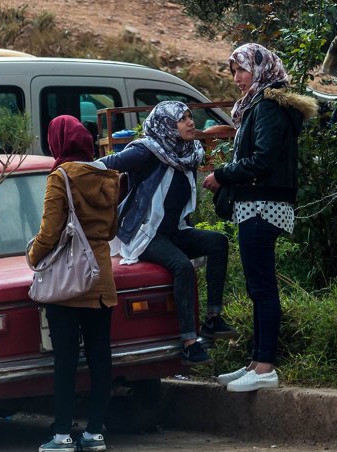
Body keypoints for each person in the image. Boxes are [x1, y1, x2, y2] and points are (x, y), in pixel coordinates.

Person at [203, 43, 317, 392]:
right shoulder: (260, 105)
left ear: (261, 69)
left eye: (242, 69)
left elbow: (262, 160)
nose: (237, 77)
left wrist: (222, 174)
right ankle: (255, 361)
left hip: (261, 204)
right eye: (233, 71)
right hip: (258, 203)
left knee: (262, 288)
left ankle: (265, 367)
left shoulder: (267, 107)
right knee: (258, 286)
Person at [99, 101, 238, 366]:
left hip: (174, 231)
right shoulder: (146, 152)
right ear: (166, 125)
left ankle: (213, 319)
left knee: (218, 242)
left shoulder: (189, 152)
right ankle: (189, 342)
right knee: (182, 266)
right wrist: (70, 169)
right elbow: (106, 163)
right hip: (145, 234)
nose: (190, 122)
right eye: (182, 119)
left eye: (189, 117)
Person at [28, 115, 120, 452]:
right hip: (101, 276)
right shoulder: (109, 177)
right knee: (100, 357)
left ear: (59, 143)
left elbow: (50, 232)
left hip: (68, 279)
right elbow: (111, 231)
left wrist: (32, 256)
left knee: (65, 360)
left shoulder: (61, 177)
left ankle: (63, 434)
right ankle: (95, 432)